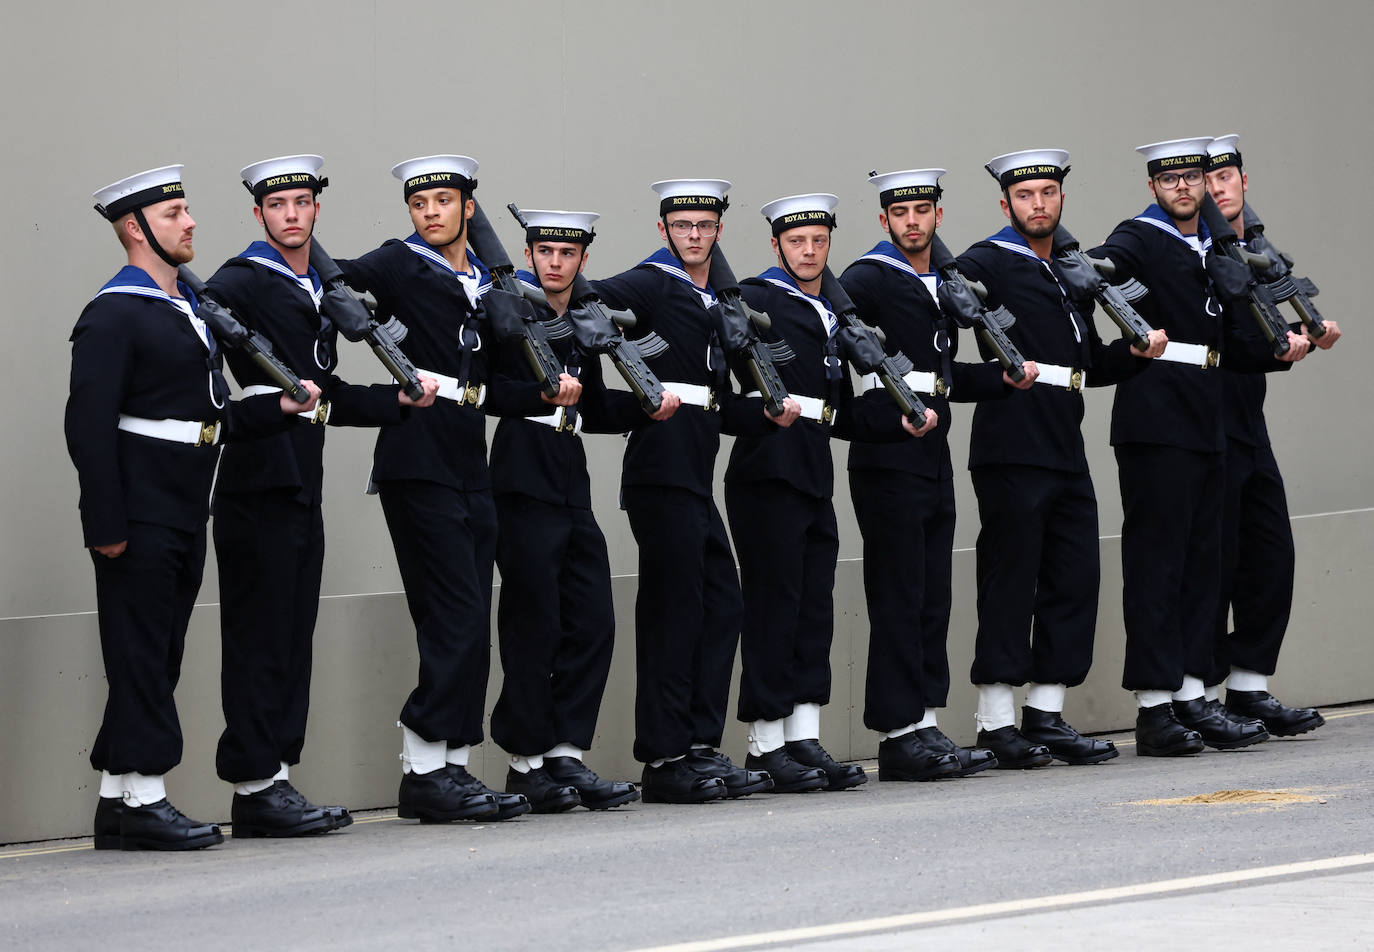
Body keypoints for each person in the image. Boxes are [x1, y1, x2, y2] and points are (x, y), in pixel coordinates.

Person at [69, 165, 320, 850]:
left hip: (184, 505)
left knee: (157, 652)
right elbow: (87, 426)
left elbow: (209, 418)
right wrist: (106, 524)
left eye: (185, 211)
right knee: (142, 652)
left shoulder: (184, 311)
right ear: (136, 227)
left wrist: (278, 406)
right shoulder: (115, 312)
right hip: (141, 509)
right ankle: (145, 796)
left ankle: (119, 800)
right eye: (176, 213)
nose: (190, 223)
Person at [206, 155, 436, 837]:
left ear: (315, 209)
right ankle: (255, 783)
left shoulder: (318, 286)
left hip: (301, 474)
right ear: (259, 215)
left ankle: (276, 775)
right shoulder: (239, 279)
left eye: (302, 203)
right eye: (278, 207)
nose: (292, 215)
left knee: (290, 631)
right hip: (255, 473)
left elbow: (323, 390)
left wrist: (394, 400)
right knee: (258, 634)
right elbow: (199, 349)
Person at [1094, 137, 1308, 756]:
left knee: (1201, 569)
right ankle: (1155, 709)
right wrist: (1109, 295)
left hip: (1206, 420)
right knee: (1159, 567)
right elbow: (1102, 269)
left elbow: (1226, 344)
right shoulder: (1138, 236)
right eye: (1172, 179)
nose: (1186, 187)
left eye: (1192, 177)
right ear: (1154, 187)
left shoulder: (1210, 244)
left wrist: (1282, 349)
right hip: (1157, 422)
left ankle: (1190, 694)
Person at [954, 149, 1167, 767]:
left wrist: (1137, 354)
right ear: (1006, 205)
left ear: (1061, 200)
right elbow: (941, 302)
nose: (1038, 204)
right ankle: (996, 721)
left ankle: (1046, 713)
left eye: (1047, 193)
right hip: (1010, 447)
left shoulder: (1069, 270)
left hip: (1066, 445)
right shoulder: (982, 262)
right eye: (1026, 196)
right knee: (1010, 581)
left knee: (1074, 580)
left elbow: (1089, 365)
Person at [592, 179, 800, 803]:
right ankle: (664, 757)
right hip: (659, 476)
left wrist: (764, 414)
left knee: (722, 607)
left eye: (703, 226)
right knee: (672, 613)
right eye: (681, 225)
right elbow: (586, 298)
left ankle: (701, 746)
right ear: (663, 229)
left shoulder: (715, 298)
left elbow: (711, 402)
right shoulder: (652, 281)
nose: (692, 235)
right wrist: (630, 364)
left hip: (693, 478)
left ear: (716, 231)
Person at [336, 155, 528, 821]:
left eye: (443, 201)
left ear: (467, 207)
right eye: (421, 204)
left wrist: (551, 387)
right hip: (416, 460)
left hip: (468, 459)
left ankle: (451, 768)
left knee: (472, 615)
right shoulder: (397, 262)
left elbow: (497, 382)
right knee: (452, 614)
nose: (431, 213)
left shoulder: (486, 280)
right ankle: (421, 770)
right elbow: (328, 281)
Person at [726, 193, 930, 793]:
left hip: (813, 474)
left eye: (818, 241)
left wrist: (899, 422)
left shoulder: (832, 313)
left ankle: (803, 734)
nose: (809, 251)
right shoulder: (757, 300)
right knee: (773, 608)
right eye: (796, 242)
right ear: (776, 246)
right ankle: (766, 745)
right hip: (767, 476)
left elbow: (835, 414)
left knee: (812, 608)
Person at [839, 169, 1027, 781]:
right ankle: (897, 735)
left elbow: (941, 376)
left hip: (932, 452)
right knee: (897, 595)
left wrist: (998, 381)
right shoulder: (866, 278)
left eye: (923, 210)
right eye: (902, 213)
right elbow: (838, 359)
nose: (913, 221)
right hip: (888, 457)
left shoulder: (941, 282)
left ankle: (922, 721)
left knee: (930, 596)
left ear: (938, 217)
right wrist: (879, 419)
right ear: (885, 220)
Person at [487, 208, 676, 811]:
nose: (554, 262)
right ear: (529, 253)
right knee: (531, 622)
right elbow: (489, 389)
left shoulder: (586, 322)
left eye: (566, 254)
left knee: (592, 620)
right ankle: (525, 762)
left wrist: (644, 408)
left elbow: (591, 408)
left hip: (570, 481)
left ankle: (566, 751)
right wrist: (538, 392)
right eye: (543, 252)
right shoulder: (510, 311)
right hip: (522, 477)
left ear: (582, 261)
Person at [1203, 134, 1339, 735]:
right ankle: (1199, 692)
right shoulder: (1188, 249)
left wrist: (1303, 332)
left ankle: (1248, 683)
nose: (1217, 185)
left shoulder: (1252, 245)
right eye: (1206, 178)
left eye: (1227, 174)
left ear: (1243, 181)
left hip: (1247, 419)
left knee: (1269, 553)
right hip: (1203, 418)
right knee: (1214, 557)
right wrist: (1280, 350)